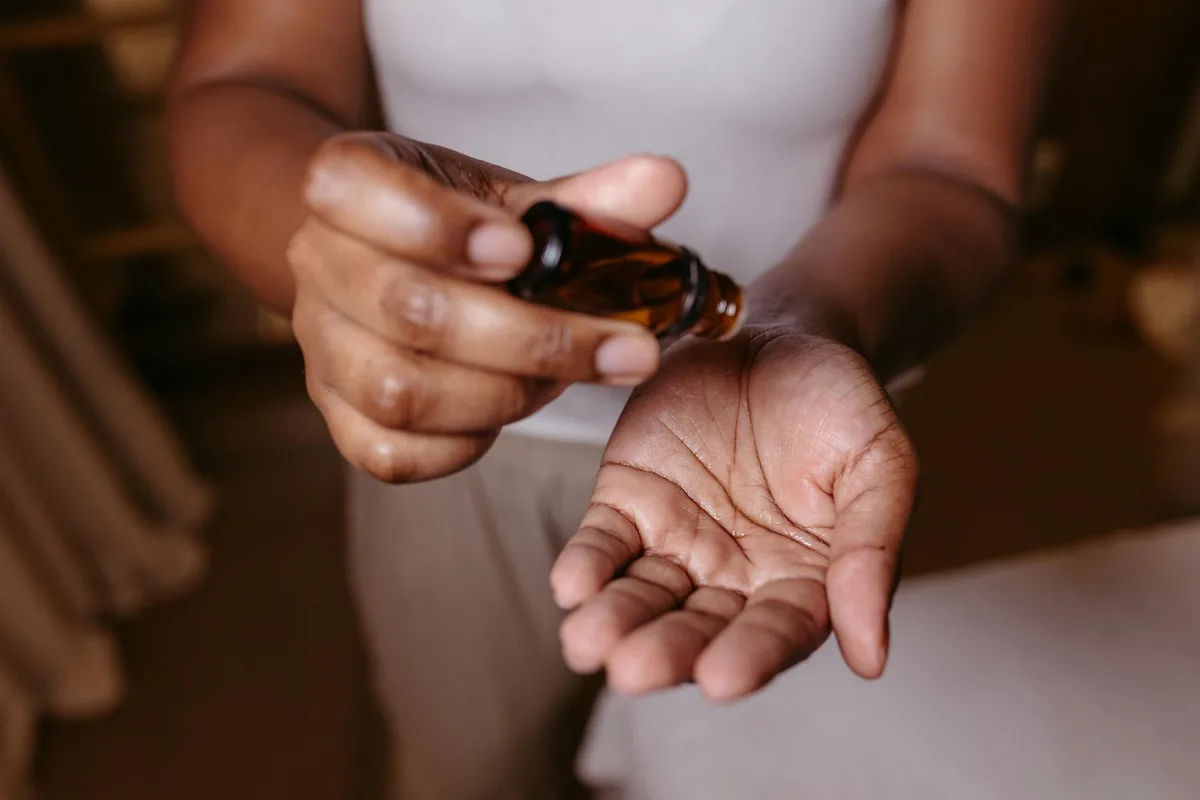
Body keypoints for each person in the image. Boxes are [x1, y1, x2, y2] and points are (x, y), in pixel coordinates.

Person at [166, 1, 1061, 797]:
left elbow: (955, 160)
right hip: (458, 429)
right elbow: (246, 81)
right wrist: (359, 277)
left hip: (791, 458)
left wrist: (797, 327)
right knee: (465, 767)